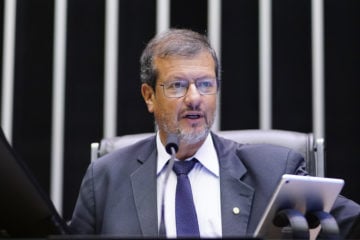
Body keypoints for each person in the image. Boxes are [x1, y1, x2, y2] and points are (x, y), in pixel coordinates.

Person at [69, 28, 360, 238]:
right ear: (148, 96)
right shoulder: (105, 179)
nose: (194, 98)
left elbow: (351, 224)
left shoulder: (273, 171)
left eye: (206, 84)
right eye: (177, 85)